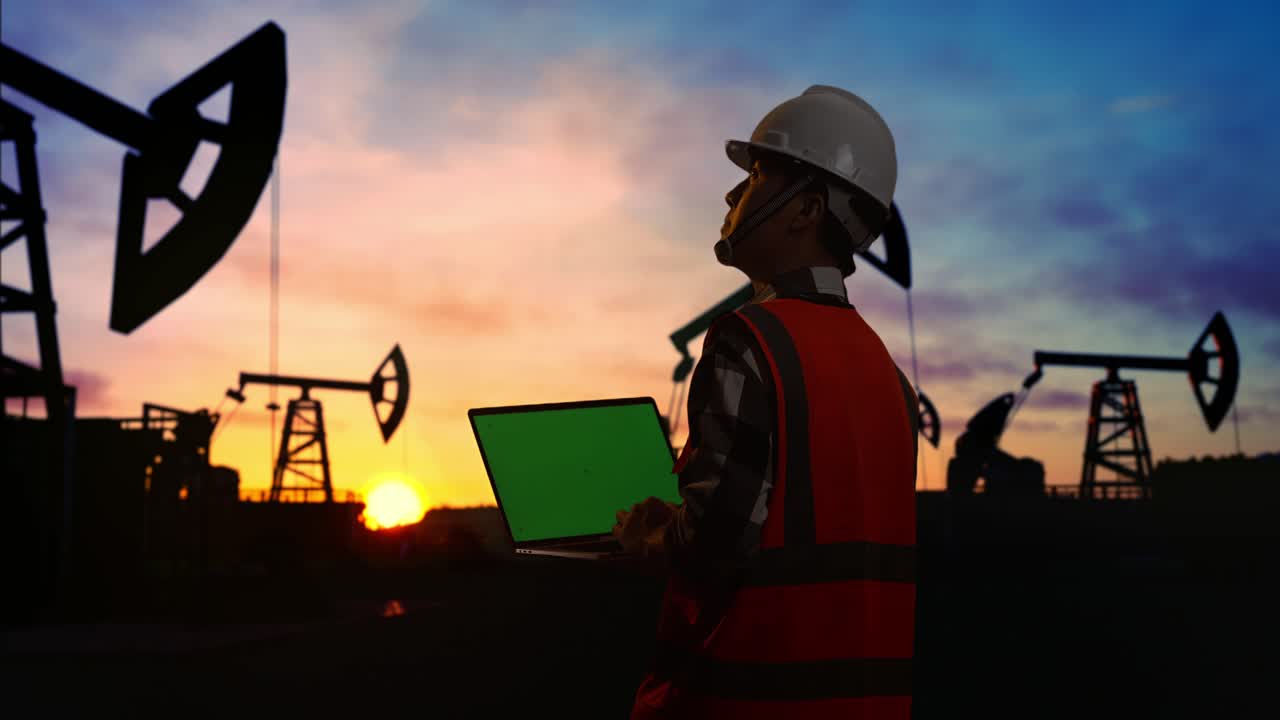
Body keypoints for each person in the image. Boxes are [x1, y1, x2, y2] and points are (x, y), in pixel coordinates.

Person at [612, 85, 921, 719]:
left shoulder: (749, 340)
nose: (732, 195)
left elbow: (713, 548)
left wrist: (648, 539)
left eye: (756, 174)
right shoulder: (888, 375)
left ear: (805, 209)